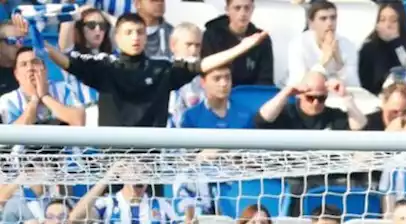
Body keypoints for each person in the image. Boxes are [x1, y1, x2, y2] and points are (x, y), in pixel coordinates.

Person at [37, 12, 267, 128]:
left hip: (151, 161)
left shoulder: (162, 69)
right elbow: (66, 61)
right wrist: (35, 39)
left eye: (139, 32)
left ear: (146, 36)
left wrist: (241, 47)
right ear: (117, 38)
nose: (135, 37)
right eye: (128, 33)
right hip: (114, 161)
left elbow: (203, 65)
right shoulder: (104, 67)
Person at [202, 0, 274, 88]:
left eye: (247, 8)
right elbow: (207, 72)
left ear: (253, 9)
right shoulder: (211, 36)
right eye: (237, 8)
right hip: (220, 91)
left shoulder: (261, 38)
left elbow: (265, 79)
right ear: (227, 9)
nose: (243, 13)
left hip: (252, 93)